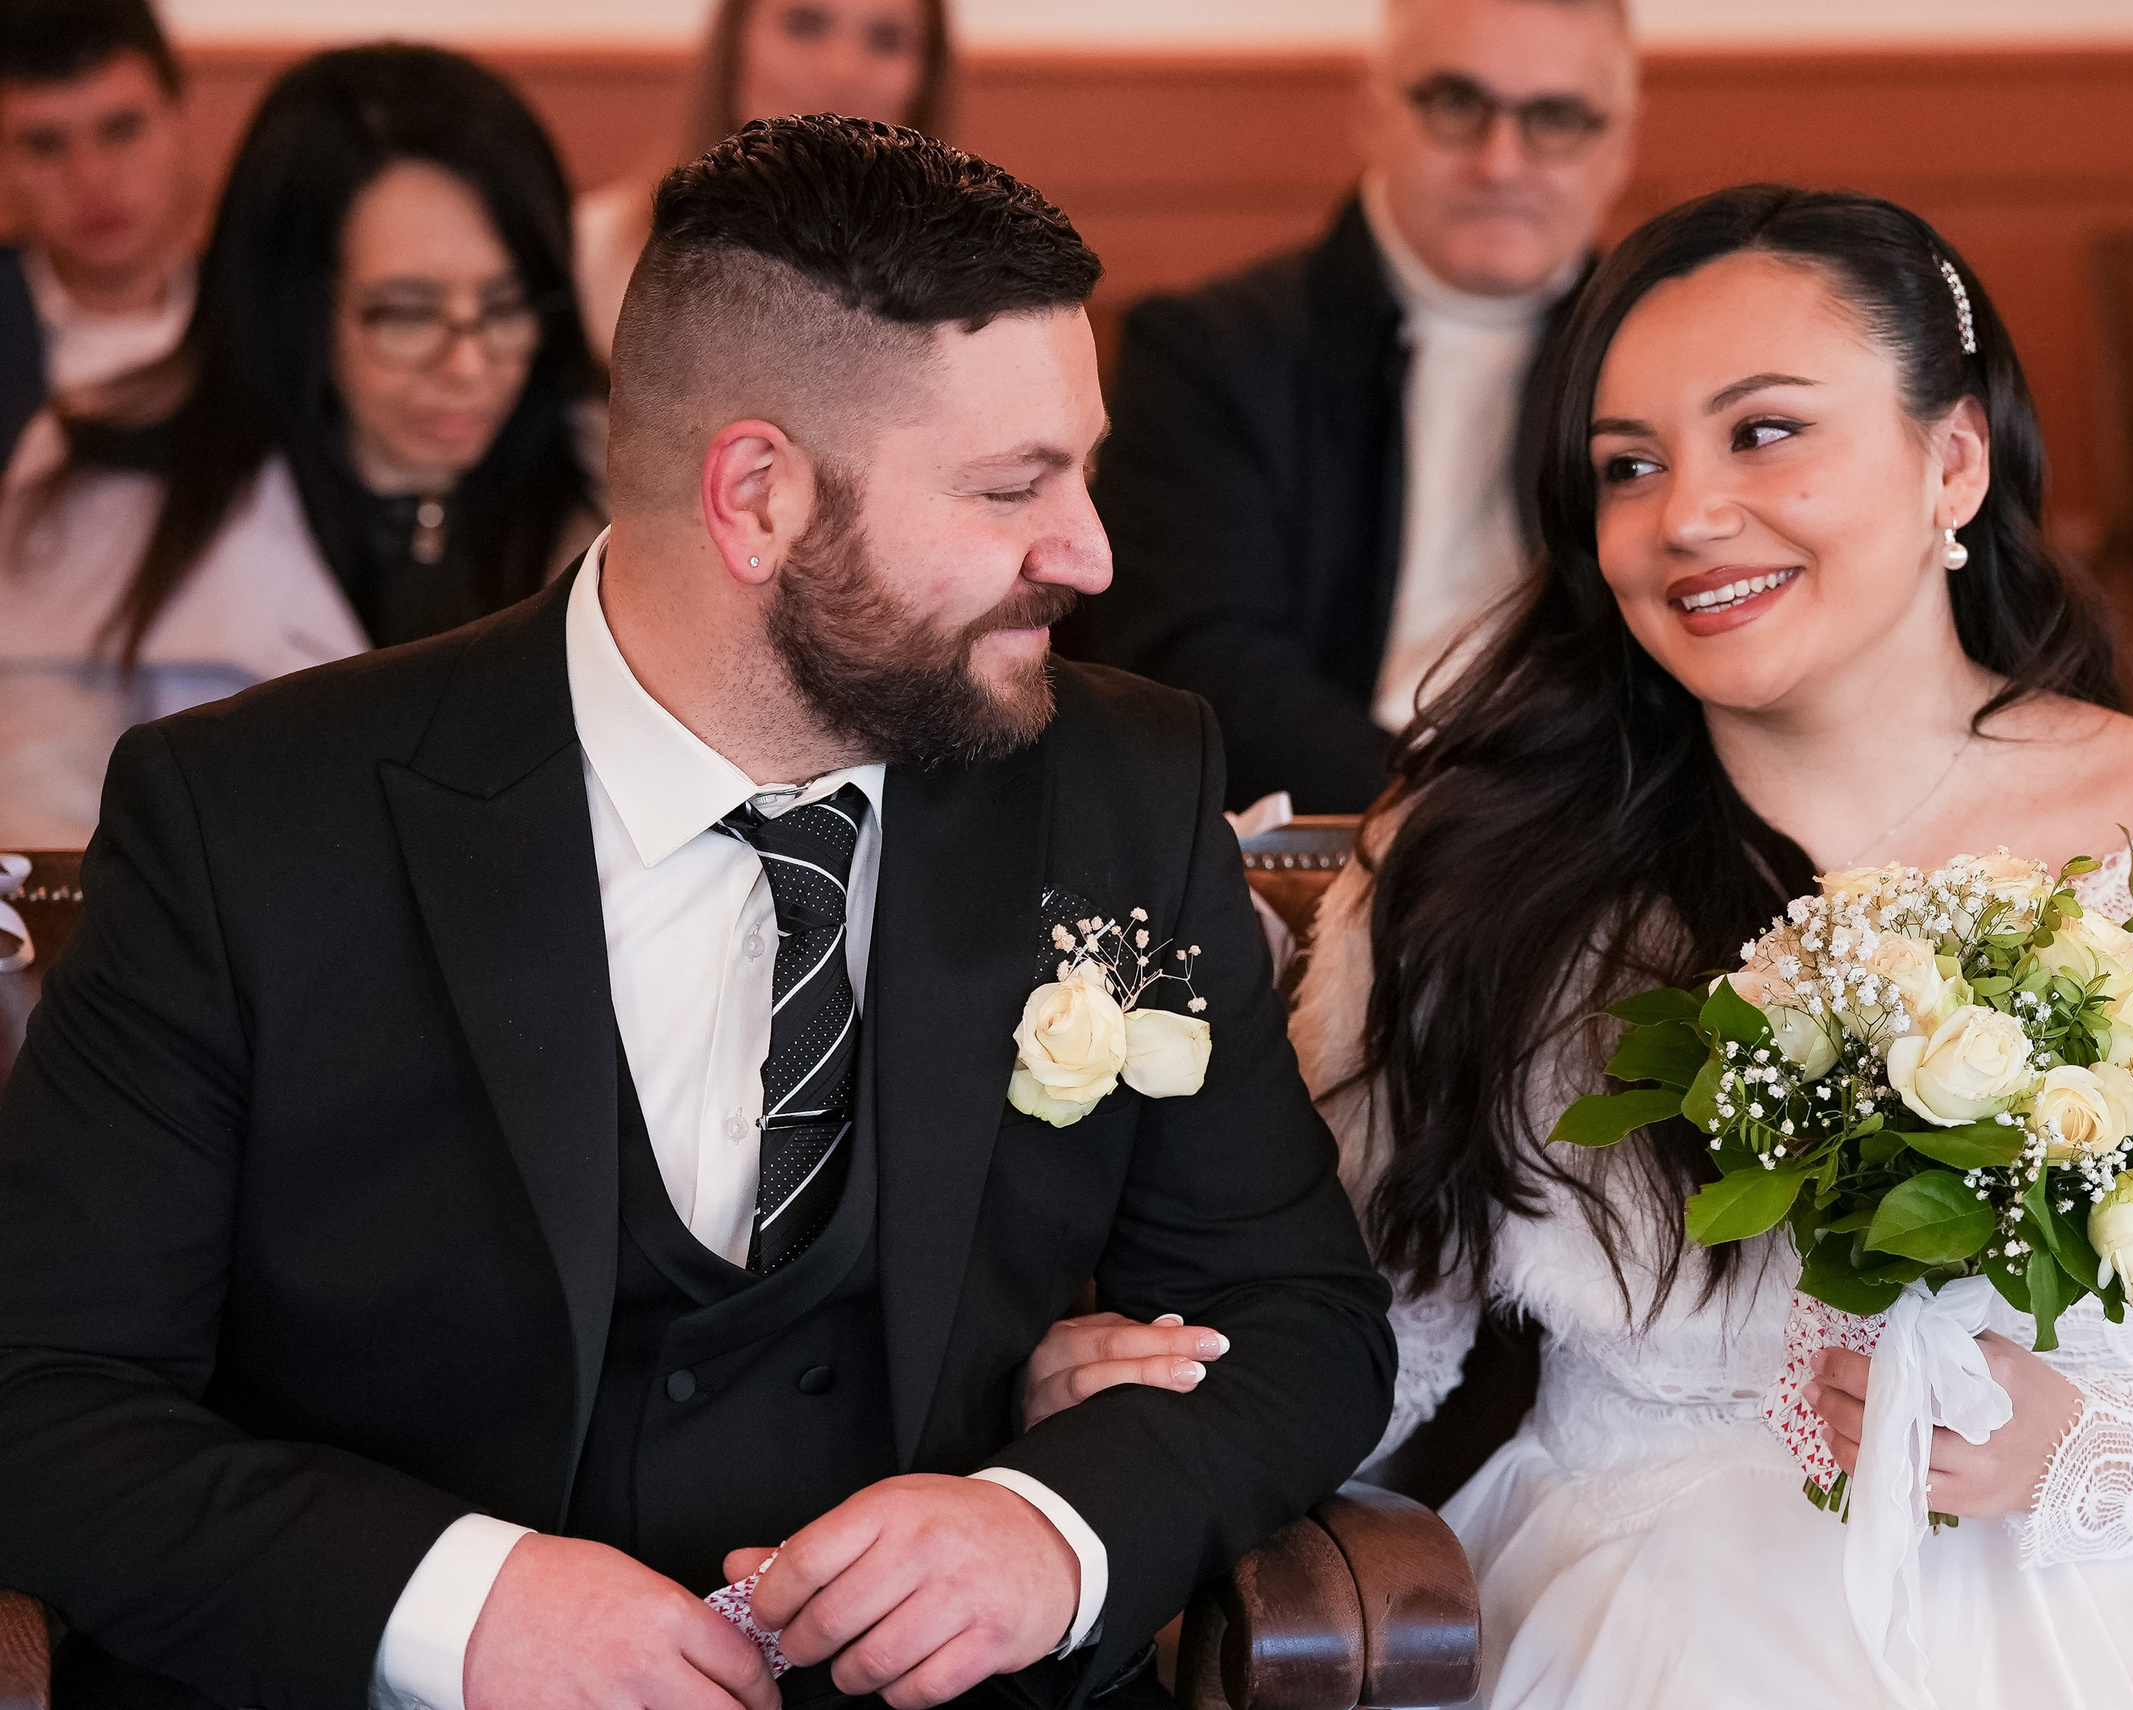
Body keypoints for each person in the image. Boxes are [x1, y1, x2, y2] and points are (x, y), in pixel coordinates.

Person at [0, 113, 1391, 1710]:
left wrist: (1050, 1528)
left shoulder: (1123, 783)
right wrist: (455, 1609)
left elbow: (1301, 1318)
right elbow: (42, 1387)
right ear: (759, 496)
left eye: (1079, 466)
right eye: (1015, 486)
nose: (1087, 550)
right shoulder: (254, 821)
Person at [1259, 185, 2133, 1707]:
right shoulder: (1478, 866)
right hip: (1649, 1602)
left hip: (2116, 1604)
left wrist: (2074, 1444)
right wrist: (1161, 1386)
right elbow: (1375, 1346)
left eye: (1764, 431)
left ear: (1952, 461)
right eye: (1628, 465)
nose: (1685, 516)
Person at [0, 44, 600, 849]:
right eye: (405, 314)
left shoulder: (622, 478)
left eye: (507, 306)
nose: (469, 366)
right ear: (293, 305)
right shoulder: (102, 483)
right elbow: (44, 853)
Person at [1077, 0, 1639, 814]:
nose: (1501, 163)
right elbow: (1196, 665)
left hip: (1607, 818)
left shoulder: (1671, 367)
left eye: (1555, 118)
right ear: (1372, 112)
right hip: (1329, 825)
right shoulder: (1207, 352)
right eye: (1455, 103)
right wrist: (1454, 821)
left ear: (1620, 144)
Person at [575, 0, 951, 359]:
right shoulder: (590, 253)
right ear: (734, 43)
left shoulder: (968, 296)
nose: (843, 71)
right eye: (805, 25)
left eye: (886, 40)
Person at [0, 0, 195, 463]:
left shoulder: (270, 313)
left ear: (180, 121)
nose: (90, 178)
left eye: (121, 130)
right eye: (44, 145)